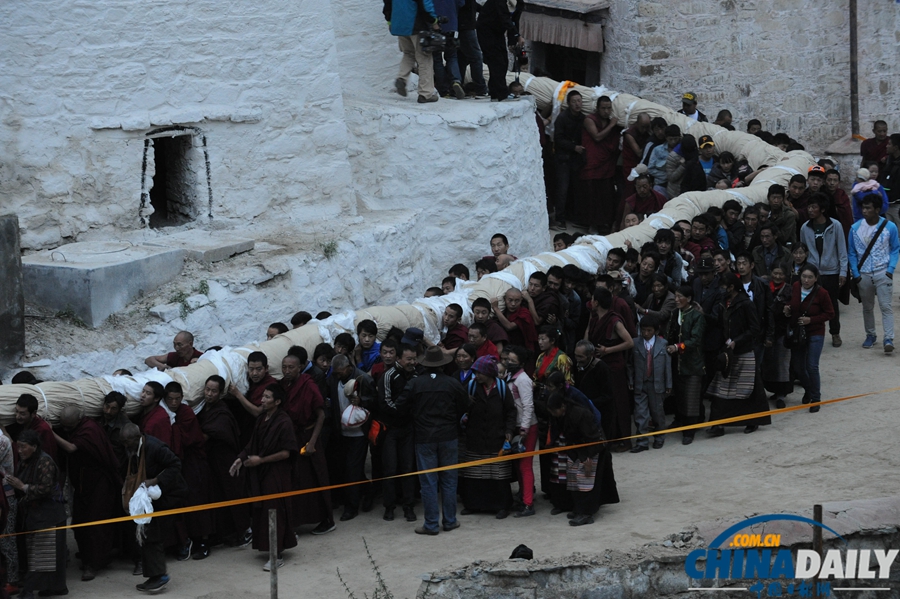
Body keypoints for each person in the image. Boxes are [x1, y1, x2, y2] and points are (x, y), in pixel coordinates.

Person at [395, 346, 468, 535]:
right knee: (449, 481)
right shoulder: (452, 383)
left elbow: (400, 406)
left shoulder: (415, 384)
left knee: (428, 482)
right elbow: (466, 404)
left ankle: (431, 524)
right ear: (443, 365)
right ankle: (450, 521)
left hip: (424, 437)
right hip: (449, 436)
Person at [229, 385, 297, 571]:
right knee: (263, 512)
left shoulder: (284, 422)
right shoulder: (262, 419)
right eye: (263, 396)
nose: (262, 400)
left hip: (277, 473)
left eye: (267, 397)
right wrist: (240, 458)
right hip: (262, 473)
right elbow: (253, 444)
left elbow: (286, 453)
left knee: (275, 511)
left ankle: (277, 555)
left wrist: (262, 460)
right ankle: (268, 548)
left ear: (277, 402)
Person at [52, 406, 121, 581]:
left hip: (99, 485)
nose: (67, 430)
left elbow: (71, 448)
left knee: (94, 525)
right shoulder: (79, 427)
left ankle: (94, 563)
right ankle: (89, 555)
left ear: (78, 419)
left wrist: (50, 431)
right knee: (79, 522)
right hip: (83, 485)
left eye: (69, 427)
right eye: (64, 427)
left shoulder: (89, 429)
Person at [121, 423, 186, 591]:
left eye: (127, 442)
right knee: (148, 534)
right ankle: (155, 576)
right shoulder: (133, 449)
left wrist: (156, 480)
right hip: (151, 496)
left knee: (152, 535)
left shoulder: (155, 447)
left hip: (168, 494)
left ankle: (160, 576)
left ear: (136, 438)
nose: (125, 445)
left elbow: (175, 465)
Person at [705, 273, 772, 436]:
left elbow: (755, 329)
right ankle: (717, 425)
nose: (721, 290)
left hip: (743, 351)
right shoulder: (723, 303)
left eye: (723, 287)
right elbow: (720, 324)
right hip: (727, 352)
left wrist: (737, 341)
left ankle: (753, 420)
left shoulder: (746, 304)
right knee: (720, 390)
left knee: (748, 389)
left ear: (731, 288)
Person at [7, 430, 67, 598]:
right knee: (39, 554)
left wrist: (22, 487)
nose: (19, 451)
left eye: (23, 447)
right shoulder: (26, 461)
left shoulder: (44, 462)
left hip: (49, 514)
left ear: (34, 447)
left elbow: (45, 489)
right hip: (35, 514)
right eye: (18, 447)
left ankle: (29, 590)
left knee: (42, 555)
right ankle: (53, 587)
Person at [545, 392, 619, 526]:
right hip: (575, 450)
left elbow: (593, 438)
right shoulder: (563, 415)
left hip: (591, 448)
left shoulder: (580, 414)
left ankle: (587, 513)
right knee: (573, 478)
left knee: (585, 480)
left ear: (562, 406)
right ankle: (578, 508)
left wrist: (588, 458)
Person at [458, 355, 516, 518]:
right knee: (474, 474)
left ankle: (502, 506)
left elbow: (511, 411)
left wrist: (509, 432)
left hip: (496, 437)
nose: (476, 376)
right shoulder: (470, 386)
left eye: (479, 373)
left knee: (498, 475)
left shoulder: (503, 389)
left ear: (489, 373)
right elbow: (459, 406)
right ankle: (473, 504)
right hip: (475, 437)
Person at [196, 375, 250, 547]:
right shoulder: (202, 408)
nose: (209, 394)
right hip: (212, 461)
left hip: (226, 460)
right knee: (218, 495)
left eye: (213, 391)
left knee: (233, 494)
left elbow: (208, 434)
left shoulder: (222, 411)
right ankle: (226, 533)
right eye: (207, 390)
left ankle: (244, 531)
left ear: (220, 394)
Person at [163, 382, 213, 560]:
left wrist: (173, 425)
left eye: (177, 399)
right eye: (170, 399)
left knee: (198, 500)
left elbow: (190, 438)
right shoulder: (164, 413)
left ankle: (204, 542)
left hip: (193, 463)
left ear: (182, 398)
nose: (174, 403)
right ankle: (186, 541)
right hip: (178, 465)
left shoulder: (186, 413)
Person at [326, 354, 376, 521]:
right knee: (346, 468)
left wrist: (362, 401)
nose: (338, 375)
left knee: (352, 470)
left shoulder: (364, 379)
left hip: (358, 434)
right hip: (341, 432)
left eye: (340, 373)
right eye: (336, 373)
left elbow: (376, 402)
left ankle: (351, 507)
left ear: (348, 368)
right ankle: (368, 491)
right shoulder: (333, 380)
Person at [585, 287, 634, 451]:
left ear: (597, 302)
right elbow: (588, 335)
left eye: (592, 299)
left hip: (613, 366)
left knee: (618, 403)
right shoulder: (594, 318)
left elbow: (629, 342)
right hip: (598, 366)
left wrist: (608, 350)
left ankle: (623, 440)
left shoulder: (614, 320)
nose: (590, 302)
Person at [848, 194, 899, 352]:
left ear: (877, 210)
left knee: (885, 306)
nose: (864, 211)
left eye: (868, 208)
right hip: (863, 274)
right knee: (867, 307)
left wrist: (890, 270)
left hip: (882, 271)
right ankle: (870, 335)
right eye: (863, 207)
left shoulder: (890, 227)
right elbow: (851, 252)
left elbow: (895, 248)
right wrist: (856, 273)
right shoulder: (855, 229)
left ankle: (888, 338)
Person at [377, 344, 419, 522]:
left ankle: (409, 506)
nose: (412, 362)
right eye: (409, 359)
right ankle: (389, 507)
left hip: (409, 430)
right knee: (390, 469)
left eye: (414, 358)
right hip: (391, 430)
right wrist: (402, 412)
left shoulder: (417, 375)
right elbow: (385, 403)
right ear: (399, 359)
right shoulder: (388, 376)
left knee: (409, 468)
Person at [785, 265, 834, 413]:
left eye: (810, 277)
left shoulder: (822, 293)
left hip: (815, 332)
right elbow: (790, 303)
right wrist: (787, 308)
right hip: (798, 332)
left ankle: (816, 398)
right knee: (798, 367)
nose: (806, 280)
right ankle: (808, 389)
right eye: (804, 276)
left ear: (816, 278)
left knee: (812, 366)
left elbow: (830, 313)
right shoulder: (795, 286)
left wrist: (811, 320)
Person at [800, 193, 848, 348]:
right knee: (811, 303)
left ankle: (835, 333)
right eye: (809, 206)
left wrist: (843, 272)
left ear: (822, 209)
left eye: (814, 207)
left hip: (831, 271)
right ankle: (812, 333)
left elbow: (842, 249)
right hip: (813, 272)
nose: (810, 210)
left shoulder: (835, 226)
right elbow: (803, 251)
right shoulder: (805, 227)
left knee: (832, 304)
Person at [665, 285, 706, 445]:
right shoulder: (675, 313)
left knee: (691, 397)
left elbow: (696, 339)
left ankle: (689, 430)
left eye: (679, 297)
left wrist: (678, 347)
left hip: (692, 363)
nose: (676, 300)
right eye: (675, 297)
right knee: (679, 395)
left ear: (688, 299)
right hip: (677, 363)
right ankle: (680, 420)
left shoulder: (696, 316)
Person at [628, 316, 672, 453]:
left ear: (656, 331)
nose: (646, 333)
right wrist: (630, 380)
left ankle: (659, 438)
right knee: (640, 413)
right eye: (644, 330)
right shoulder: (635, 343)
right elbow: (629, 364)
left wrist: (668, 384)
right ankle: (642, 441)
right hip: (640, 384)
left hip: (657, 384)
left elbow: (667, 366)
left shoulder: (663, 344)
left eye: (649, 330)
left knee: (657, 412)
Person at [503, 347, 537, 517]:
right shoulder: (510, 377)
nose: (508, 363)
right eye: (508, 359)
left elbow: (528, 405)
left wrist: (524, 429)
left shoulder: (523, 380)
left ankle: (528, 504)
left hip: (527, 427)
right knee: (518, 465)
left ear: (521, 364)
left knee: (525, 466)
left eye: (512, 361)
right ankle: (525, 497)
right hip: (517, 426)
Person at [384, 0, 440, 103]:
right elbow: (426, 4)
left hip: (399, 24)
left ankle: (401, 78)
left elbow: (387, 4)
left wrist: (390, 21)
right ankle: (425, 94)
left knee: (408, 53)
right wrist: (434, 21)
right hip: (416, 24)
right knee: (424, 58)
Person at [579, 95, 620, 233]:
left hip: (606, 165)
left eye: (609, 108)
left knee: (606, 196)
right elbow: (597, 137)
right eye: (603, 108)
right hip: (592, 163)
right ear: (597, 108)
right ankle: (592, 224)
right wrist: (612, 124)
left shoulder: (611, 123)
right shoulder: (589, 120)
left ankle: (605, 224)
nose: (606, 111)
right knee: (592, 197)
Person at [552, 90, 586, 229]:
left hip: (576, 160)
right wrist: (573, 147)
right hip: (563, 159)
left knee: (576, 189)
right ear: (569, 103)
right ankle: (559, 218)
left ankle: (573, 216)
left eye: (579, 101)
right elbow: (558, 139)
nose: (577, 104)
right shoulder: (562, 118)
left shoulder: (583, 118)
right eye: (574, 101)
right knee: (562, 189)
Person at [229, 351, 279, 447]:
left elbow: (258, 412)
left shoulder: (271, 385)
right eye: (251, 369)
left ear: (266, 368)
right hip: (246, 426)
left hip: (262, 430)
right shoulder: (246, 380)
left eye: (259, 369)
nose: (254, 373)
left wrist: (238, 394)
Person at [476, 0, 521, 101]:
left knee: (504, 62)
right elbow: (504, 18)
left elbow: (514, 20)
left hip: (498, 32)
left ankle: (495, 92)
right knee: (496, 61)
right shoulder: (499, 1)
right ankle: (501, 93)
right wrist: (517, 36)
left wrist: (512, 41)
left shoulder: (519, 3)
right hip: (486, 30)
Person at [6, 395, 56, 464]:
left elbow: (26, 452)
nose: (18, 416)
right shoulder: (21, 424)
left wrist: (7, 436)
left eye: (22, 414)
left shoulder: (42, 429)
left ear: (33, 413)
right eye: (16, 411)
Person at [431, 0, 466, 99]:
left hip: (435, 27)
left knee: (437, 59)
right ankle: (456, 81)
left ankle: (444, 90)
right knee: (452, 57)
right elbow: (461, 4)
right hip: (452, 25)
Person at [456, 0, 487, 97]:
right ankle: (480, 87)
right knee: (476, 57)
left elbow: (472, 4)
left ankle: (457, 84)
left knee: (462, 58)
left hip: (461, 26)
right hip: (466, 26)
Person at [493, 288, 538, 353]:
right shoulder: (503, 311)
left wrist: (496, 308)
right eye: (510, 300)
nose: (513, 304)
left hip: (522, 349)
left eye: (517, 301)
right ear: (505, 299)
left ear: (521, 300)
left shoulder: (524, 313)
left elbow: (509, 326)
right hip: (506, 348)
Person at [648, 124, 681, 197]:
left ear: (679, 138)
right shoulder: (658, 150)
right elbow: (650, 168)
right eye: (670, 139)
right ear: (666, 138)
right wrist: (667, 176)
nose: (673, 142)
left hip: (677, 187)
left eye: (675, 139)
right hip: (661, 184)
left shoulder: (682, 151)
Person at [136, 381, 172, 447]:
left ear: (156, 399)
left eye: (148, 393)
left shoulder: (160, 418)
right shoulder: (143, 411)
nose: (143, 395)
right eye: (143, 391)